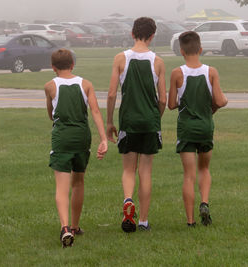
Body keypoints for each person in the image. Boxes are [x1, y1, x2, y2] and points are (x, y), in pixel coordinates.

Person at [107, 17, 167, 232]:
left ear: (132, 33)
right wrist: (155, 118)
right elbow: (162, 100)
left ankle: (127, 199)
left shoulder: (120, 59)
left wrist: (109, 122)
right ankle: (143, 220)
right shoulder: (158, 62)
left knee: (128, 169)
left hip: (128, 122)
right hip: (150, 122)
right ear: (152, 36)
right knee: (146, 172)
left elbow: (113, 93)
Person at [44, 49, 108, 247]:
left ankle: (64, 228)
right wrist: (103, 139)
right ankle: (75, 226)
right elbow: (95, 111)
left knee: (62, 187)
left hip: (62, 138)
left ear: (53, 67)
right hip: (82, 137)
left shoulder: (50, 86)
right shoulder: (86, 84)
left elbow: (51, 114)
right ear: (73, 64)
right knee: (78, 182)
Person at [168, 31, 228, 227]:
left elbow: (171, 104)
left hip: (186, 128)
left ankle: (190, 221)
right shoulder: (211, 72)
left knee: (189, 174)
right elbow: (219, 100)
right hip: (205, 126)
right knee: (204, 168)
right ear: (201, 49)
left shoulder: (177, 73)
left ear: (181, 51)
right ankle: (204, 202)